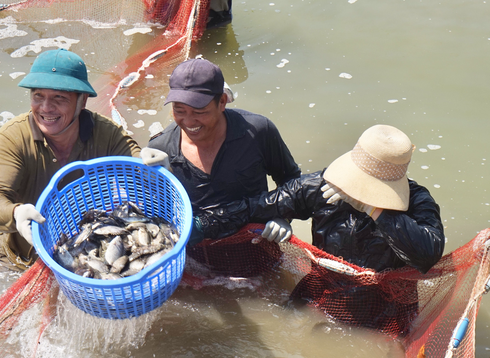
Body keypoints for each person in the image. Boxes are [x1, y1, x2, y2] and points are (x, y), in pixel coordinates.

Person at [0, 48, 141, 270]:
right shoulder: (12, 138)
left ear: (82, 101)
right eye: (38, 96)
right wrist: (16, 213)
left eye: (59, 97)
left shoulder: (106, 134)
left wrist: (155, 162)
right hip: (18, 258)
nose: (46, 108)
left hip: (85, 257)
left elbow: (140, 167)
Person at [141, 58, 301, 245]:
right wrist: (151, 178)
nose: (189, 121)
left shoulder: (258, 131)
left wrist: (284, 216)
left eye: (200, 112)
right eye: (179, 110)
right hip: (196, 256)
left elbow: (292, 180)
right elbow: (157, 215)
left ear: (222, 102)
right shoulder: (160, 150)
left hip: (258, 245)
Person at [250, 124, 445, 274]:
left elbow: (428, 256)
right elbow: (254, 207)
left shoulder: (418, 199)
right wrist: (282, 218)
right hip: (323, 288)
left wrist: (377, 212)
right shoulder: (324, 184)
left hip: (384, 306)